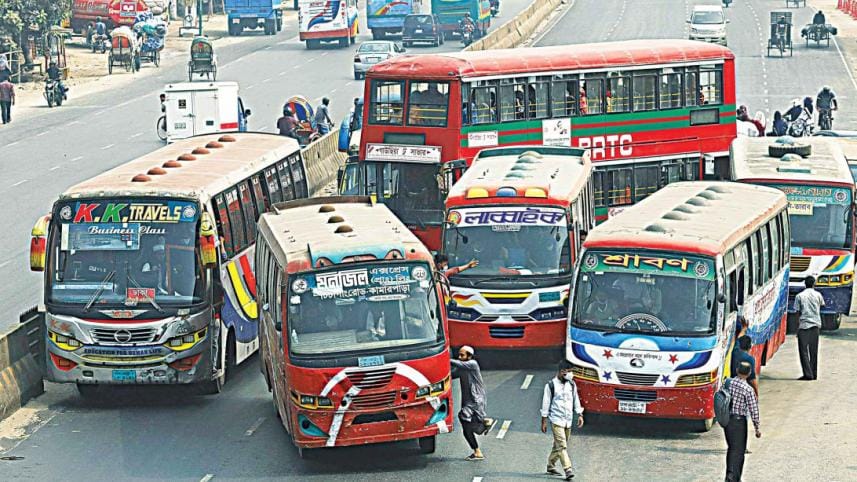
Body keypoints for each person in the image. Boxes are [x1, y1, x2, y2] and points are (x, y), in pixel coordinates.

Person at [541, 360, 585, 480]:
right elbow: (546, 403)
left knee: (558, 446)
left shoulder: (571, 384)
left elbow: (576, 399)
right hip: (556, 420)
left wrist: (580, 414)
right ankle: (568, 469)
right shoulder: (551, 385)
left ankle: (550, 465)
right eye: (569, 372)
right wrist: (544, 421)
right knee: (562, 446)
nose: (571, 374)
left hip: (568, 420)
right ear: (562, 372)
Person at [451, 346, 492, 461]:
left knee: (464, 421)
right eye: (459, 355)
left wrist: (443, 357)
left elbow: (455, 363)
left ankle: (477, 450)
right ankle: (482, 425)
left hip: (475, 400)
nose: (459, 357)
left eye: (462, 355)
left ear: (469, 356)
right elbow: (452, 374)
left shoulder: (472, 364)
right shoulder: (463, 368)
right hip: (470, 401)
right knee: (467, 425)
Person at [724, 361, 761, 482]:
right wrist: (757, 428)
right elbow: (753, 409)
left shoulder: (728, 382)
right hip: (739, 422)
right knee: (739, 451)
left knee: (731, 448)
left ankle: (729, 474)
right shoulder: (748, 389)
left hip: (727, 420)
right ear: (749, 373)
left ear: (736, 370)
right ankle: (735, 478)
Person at [794, 275, 824, 381]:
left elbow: (797, 312)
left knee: (803, 351)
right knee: (813, 351)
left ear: (805, 284)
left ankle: (807, 374)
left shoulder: (799, 296)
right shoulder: (818, 295)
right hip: (815, 325)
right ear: (814, 284)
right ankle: (814, 373)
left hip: (804, 326)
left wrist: (797, 328)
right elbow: (821, 306)